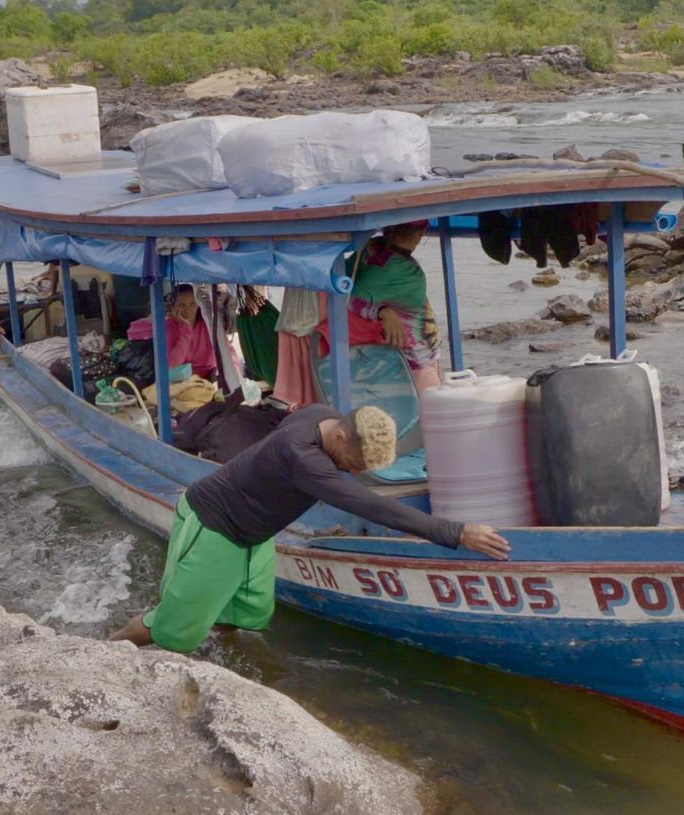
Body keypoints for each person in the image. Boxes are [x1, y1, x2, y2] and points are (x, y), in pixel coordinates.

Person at [109, 404, 510, 653]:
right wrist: (455, 532)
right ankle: (101, 655)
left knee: (248, 615)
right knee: (169, 631)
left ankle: (209, 646)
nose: (352, 473)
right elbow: (370, 505)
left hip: (254, 534)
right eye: (352, 465)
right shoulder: (303, 457)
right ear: (339, 436)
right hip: (214, 525)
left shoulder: (321, 415)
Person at [346, 220, 442, 392]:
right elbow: (351, 298)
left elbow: (348, 287)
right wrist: (383, 312)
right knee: (434, 414)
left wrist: (382, 311)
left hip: (404, 356)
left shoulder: (372, 248)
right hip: (416, 359)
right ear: (422, 231)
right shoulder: (405, 271)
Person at [127, 283, 218, 378]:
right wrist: (186, 330)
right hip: (180, 381)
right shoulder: (169, 326)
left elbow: (220, 359)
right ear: (174, 307)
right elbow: (172, 365)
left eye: (192, 304)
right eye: (182, 305)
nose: (188, 309)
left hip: (207, 380)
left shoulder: (207, 325)